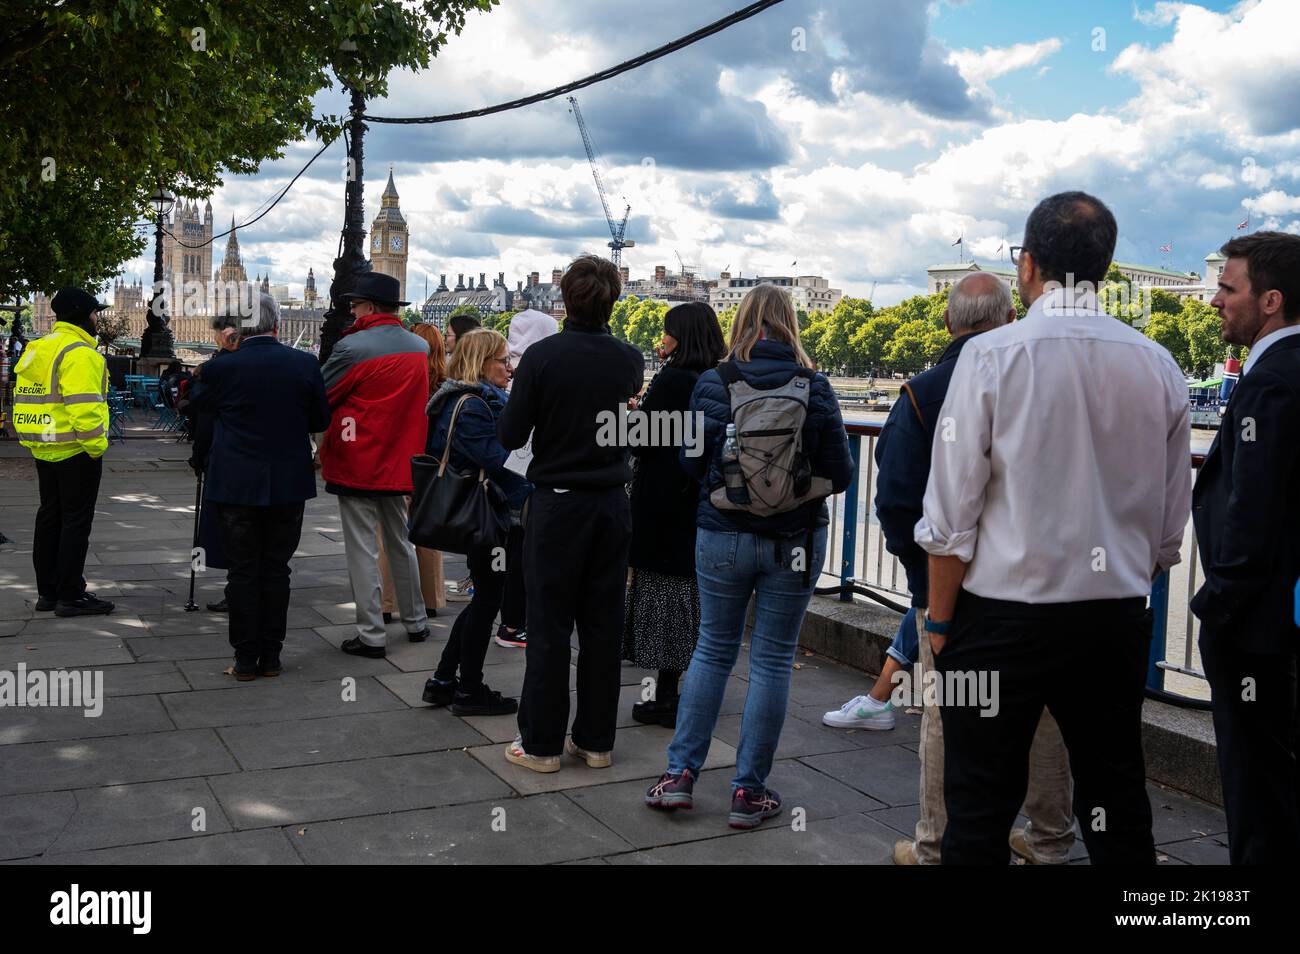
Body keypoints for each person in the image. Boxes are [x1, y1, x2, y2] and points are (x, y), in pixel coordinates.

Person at [915, 191, 1191, 865]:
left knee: (977, 808)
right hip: (1113, 620)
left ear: (1029, 265)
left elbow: (951, 520)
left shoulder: (990, 357)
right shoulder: (1158, 364)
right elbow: (1167, 529)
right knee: (1117, 803)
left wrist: (940, 626)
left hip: (999, 620)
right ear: (1106, 268)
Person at [644, 283, 853, 828]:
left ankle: (680, 776)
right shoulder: (815, 385)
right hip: (795, 543)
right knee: (772, 659)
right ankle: (748, 791)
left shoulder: (714, 382)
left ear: (742, 322)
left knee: (712, 650)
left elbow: (691, 461)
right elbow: (842, 472)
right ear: (790, 323)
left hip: (721, 535)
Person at [497, 255, 644, 772]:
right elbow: (627, 432)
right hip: (611, 503)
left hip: (557, 503)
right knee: (603, 625)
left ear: (564, 302)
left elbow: (511, 435)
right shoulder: (629, 358)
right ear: (613, 300)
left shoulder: (542, 358)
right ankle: (596, 740)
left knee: (549, 626)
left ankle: (540, 744)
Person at [1192, 231, 1300, 864]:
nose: (1215, 302)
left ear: (1270, 301)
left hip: (1256, 626)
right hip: (1281, 612)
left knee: (1255, 783)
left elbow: (1251, 512)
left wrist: (1217, 606)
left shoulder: (1271, 383)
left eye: (1228, 289)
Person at [186, 293, 330, 679]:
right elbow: (320, 416)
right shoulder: (304, 363)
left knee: (243, 571)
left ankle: (245, 659)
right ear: (277, 326)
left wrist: (208, 370)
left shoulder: (224, 367)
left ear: (241, 328)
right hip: (288, 481)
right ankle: (272, 657)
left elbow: (193, 406)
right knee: (277, 569)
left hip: (236, 483)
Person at [621, 302, 725, 727]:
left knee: (665, 597)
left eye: (666, 332)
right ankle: (679, 689)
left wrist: (631, 416)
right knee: (689, 598)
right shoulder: (714, 378)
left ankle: (666, 697)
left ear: (681, 336)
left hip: (663, 503)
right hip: (697, 501)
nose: (661, 340)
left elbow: (644, 442)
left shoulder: (673, 380)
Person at [421, 329, 533, 715]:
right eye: (503, 360)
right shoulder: (471, 406)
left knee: (485, 598)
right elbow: (499, 462)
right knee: (488, 600)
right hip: (490, 518)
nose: (510, 367)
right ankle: (468, 689)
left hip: (486, 515)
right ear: (482, 363)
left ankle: (444, 679)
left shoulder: (466, 401)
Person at [320, 272, 432, 658]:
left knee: (363, 550)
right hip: (400, 462)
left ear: (368, 307)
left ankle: (371, 634)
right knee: (401, 541)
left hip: (359, 460)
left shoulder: (353, 347)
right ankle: (416, 621)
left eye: (354, 304)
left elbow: (324, 395)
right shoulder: (419, 347)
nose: (351, 311)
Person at [13, 287, 115, 617]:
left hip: (44, 445)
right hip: (75, 449)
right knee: (75, 522)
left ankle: (48, 592)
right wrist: (96, 447)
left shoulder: (38, 346)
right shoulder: (81, 353)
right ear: (84, 316)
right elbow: (84, 407)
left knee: (49, 518)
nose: (97, 318)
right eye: (95, 313)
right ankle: (70, 594)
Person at [495, 308, 560, 649]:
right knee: (523, 551)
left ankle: (512, 619)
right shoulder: (537, 375)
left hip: (509, 474)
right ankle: (513, 623)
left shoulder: (509, 371)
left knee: (511, 550)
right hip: (528, 475)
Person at [377, 321, 449, 623]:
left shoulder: (401, 379)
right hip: (432, 468)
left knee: (390, 534)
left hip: (401, 462)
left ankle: (387, 602)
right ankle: (431, 600)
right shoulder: (446, 387)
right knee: (429, 535)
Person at [186, 313, 240, 613]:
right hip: (270, 463)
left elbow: (202, 413)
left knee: (227, 527)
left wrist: (198, 454)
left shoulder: (216, 367)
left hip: (225, 458)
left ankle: (236, 589)